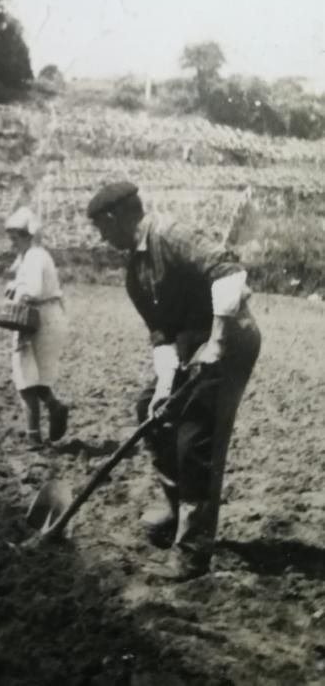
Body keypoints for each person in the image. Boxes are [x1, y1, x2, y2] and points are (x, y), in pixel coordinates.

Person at [87, 182, 261, 581]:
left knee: (196, 437)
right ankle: (176, 504)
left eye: (101, 228)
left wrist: (217, 341)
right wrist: (165, 386)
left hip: (230, 339)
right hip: (190, 347)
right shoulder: (136, 272)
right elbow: (161, 336)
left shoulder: (172, 234)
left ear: (115, 217)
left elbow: (229, 272)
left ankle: (193, 552)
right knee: (151, 412)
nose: (100, 237)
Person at [2, 206, 69, 448]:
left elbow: (32, 291)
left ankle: (33, 437)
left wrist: (10, 299)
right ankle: (55, 406)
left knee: (25, 376)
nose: (13, 243)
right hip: (48, 317)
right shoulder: (35, 256)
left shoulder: (34, 256)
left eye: (16, 238)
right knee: (36, 375)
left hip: (37, 320)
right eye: (11, 238)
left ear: (28, 236)